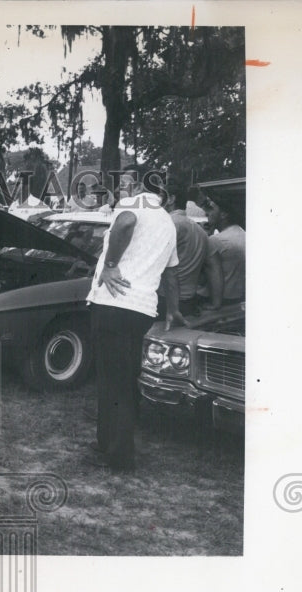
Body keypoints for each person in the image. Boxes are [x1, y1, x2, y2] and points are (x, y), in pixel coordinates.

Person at [86, 180, 184, 472]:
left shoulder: (132, 207)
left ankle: (119, 454)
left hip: (114, 303)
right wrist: (174, 309)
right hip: (142, 309)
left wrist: (112, 264)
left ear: (140, 189)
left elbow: (126, 222)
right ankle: (108, 442)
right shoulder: (168, 223)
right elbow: (172, 272)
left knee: (112, 380)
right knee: (124, 378)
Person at [162, 180, 209, 316]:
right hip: (189, 298)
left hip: (167, 300)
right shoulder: (199, 230)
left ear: (171, 199)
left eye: (159, 196)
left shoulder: (169, 223)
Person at [203, 197, 246, 309]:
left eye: (211, 209)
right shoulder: (244, 235)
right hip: (239, 299)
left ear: (223, 215)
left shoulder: (216, 240)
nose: (207, 213)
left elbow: (213, 272)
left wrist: (215, 304)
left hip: (221, 300)